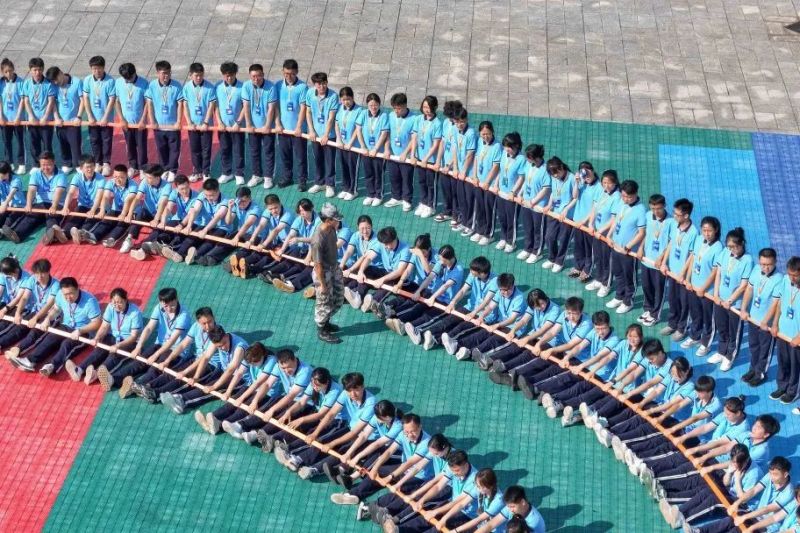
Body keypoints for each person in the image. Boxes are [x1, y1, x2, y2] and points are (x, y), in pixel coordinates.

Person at [96, 287, 190, 392]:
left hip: (175, 349)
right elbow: (149, 328)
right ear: (161, 303)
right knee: (139, 361)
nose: (169, 309)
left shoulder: (184, 316)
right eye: (166, 306)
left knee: (155, 368)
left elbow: (172, 340)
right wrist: (138, 347)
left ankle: (134, 386)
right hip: (160, 344)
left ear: (177, 299)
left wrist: (155, 355)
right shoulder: (159, 308)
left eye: (172, 305)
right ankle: (113, 379)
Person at [7, 276, 101, 376]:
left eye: (71, 293)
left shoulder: (90, 301)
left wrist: (80, 331)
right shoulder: (60, 295)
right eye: (65, 295)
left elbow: (97, 323)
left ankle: (51, 366)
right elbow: (56, 309)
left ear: (78, 289)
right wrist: (48, 319)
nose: (68, 298)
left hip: (84, 332)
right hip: (66, 326)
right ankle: (30, 361)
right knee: (50, 338)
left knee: (67, 344)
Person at [129, 306, 222, 402]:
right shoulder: (196, 327)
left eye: (210, 322)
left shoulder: (217, 332)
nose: (207, 326)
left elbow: (204, 358)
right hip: (196, 358)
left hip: (210, 365)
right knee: (173, 372)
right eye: (204, 323)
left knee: (183, 378)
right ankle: (148, 386)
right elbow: (182, 345)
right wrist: (167, 361)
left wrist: (185, 372)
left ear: (214, 318)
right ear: (198, 322)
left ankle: (156, 393)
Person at [380, 450, 477, 533]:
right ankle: (399, 529)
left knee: (436, 529)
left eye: (457, 471)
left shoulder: (474, 480)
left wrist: (438, 514)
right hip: (453, 504)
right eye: (453, 471)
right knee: (427, 516)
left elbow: (459, 504)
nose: (454, 474)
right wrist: (421, 501)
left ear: (465, 464)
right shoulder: (453, 468)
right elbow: (438, 486)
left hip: (467, 515)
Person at [160, 325, 249, 415]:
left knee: (210, 388)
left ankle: (183, 401)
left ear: (226, 335)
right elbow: (206, 358)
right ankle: (176, 396)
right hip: (225, 372)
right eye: (219, 347)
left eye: (224, 344)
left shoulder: (239, 347)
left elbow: (231, 369)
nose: (222, 348)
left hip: (240, 379)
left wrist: (214, 387)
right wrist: (196, 377)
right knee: (202, 383)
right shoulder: (216, 339)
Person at [441, 272, 525, 361]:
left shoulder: (519, 298)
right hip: (500, 323)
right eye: (502, 290)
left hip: (513, 328)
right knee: (482, 333)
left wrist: (497, 325)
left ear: (513, 285)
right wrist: (481, 317)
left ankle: (469, 353)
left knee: (492, 341)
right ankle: (457, 345)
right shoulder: (500, 293)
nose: (505, 293)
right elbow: (490, 307)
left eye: (507, 290)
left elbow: (512, 319)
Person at [65, 287, 143, 384]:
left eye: (120, 302)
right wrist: (97, 338)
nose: (117, 305)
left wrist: (118, 345)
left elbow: (134, 336)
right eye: (114, 302)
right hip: (114, 337)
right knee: (99, 350)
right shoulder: (111, 307)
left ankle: (95, 374)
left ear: (126, 300)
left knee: (114, 356)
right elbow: (104, 326)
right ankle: (79, 370)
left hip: (129, 342)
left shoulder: (135, 313)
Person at [708, 227, 754, 372]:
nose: (732, 250)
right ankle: (721, 351)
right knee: (722, 327)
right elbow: (719, 274)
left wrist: (730, 301)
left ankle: (730, 356)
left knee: (734, 332)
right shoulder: (725, 253)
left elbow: (743, 285)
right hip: (720, 300)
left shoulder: (748, 260)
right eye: (729, 246)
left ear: (742, 244)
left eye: (734, 247)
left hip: (735, 304)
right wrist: (716, 295)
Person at [160, 178, 228, 265]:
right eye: (206, 195)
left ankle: (195, 255)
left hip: (220, 227)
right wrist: (188, 226)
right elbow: (194, 210)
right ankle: (179, 254)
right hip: (204, 224)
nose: (208, 198)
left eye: (211, 195)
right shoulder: (202, 195)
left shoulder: (225, 201)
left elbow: (217, 218)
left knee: (208, 242)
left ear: (218, 191)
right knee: (191, 238)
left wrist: (205, 230)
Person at [740, 248, 782, 386]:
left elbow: (775, 304)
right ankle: (753, 369)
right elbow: (749, 289)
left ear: (775, 262)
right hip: (753, 318)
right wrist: (744, 309)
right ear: (759, 262)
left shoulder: (779, 279)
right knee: (753, 346)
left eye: (769, 264)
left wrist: (765, 321)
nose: (766, 267)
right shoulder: (756, 270)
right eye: (763, 264)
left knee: (765, 350)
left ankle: (760, 373)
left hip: (766, 324)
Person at [682, 216, 723, 356]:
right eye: (704, 230)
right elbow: (693, 259)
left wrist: (703, 288)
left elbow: (714, 272)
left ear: (716, 230)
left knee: (708, 319)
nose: (706, 233)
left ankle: (706, 344)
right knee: (695, 314)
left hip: (707, 292)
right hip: (693, 287)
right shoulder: (699, 239)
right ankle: (695, 336)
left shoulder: (718, 248)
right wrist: (688, 279)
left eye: (709, 230)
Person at [604, 179, 647, 315]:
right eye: (623, 196)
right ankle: (619, 296)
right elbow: (616, 221)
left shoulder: (641, 210)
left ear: (636, 194)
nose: (625, 199)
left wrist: (628, 247)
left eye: (629, 197)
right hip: (615, 247)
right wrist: (609, 235)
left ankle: (628, 301)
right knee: (618, 274)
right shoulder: (621, 203)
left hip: (628, 252)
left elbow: (642, 233)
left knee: (629, 278)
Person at [0, 258, 59, 355]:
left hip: (48, 314)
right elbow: (24, 298)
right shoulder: (32, 279)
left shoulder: (56, 285)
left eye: (42, 273)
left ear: (48, 271)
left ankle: (19, 349)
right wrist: (18, 313)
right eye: (37, 273)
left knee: (34, 333)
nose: (39, 277)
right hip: (34, 311)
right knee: (19, 327)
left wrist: (35, 318)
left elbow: (48, 305)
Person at [108, 163, 171, 253]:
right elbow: (137, 198)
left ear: (157, 178)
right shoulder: (145, 182)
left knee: (159, 229)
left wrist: (156, 219)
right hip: (148, 213)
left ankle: (143, 246)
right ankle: (129, 239)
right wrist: (129, 214)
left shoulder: (167, 186)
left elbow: (162, 203)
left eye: (149, 177)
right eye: (146, 177)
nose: (146, 179)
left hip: (161, 216)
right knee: (140, 211)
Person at [254, 197, 319, 284]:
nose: (302, 213)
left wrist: (308, 256)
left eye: (304, 210)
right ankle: (270, 273)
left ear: (311, 208)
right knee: (288, 260)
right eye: (300, 211)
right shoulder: (299, 219)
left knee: (302, 267)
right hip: (301, 247)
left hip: (316, 250)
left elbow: (314, 241)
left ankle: (286, 280)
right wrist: (282, 250)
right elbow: (290, 235)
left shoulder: (319, 222)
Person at [659, 198, 698, 341]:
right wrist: (664, 262)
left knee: (684, 302)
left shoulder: (694, 233)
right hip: (672, 272)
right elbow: (671, 244)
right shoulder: (675, 226)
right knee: (672, 299)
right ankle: (672, 323)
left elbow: (692, 256)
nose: (674, 216)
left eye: (677, 214)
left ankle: (682, 328)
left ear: (686, 215)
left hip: (683, 276)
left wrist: (683, 274)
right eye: (674, 213)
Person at [230, 193, 295, 278]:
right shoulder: (267, 212)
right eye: (271, 209)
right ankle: (244, 262)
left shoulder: (288, 214)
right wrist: (251, 240)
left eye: (276, 207)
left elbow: (276, 230)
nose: (273, 211)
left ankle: (250, 269)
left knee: (270, 258)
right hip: (274, 239)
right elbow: (261, 225)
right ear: (266, 207)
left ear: (280, 203)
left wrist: (263, 244)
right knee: (259, 252)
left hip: (288, 243)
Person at [10, 152, 68, 243]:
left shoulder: (61, 175)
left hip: (57, 204)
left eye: (48, 165)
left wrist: (54, 206)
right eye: (43, 165)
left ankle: (51, 236)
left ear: (54, 162)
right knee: (30, 216)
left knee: (52, 218)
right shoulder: (36, 174)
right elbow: (32, 190)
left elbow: (58, 192)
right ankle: (17, 234)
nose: (45, 168)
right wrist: (28, 204)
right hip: (41, 203)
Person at [310, 202, 345, 343]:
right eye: (336, 219)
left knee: (338, 297)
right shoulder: (318, 240)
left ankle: (326, 322)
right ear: (328, 220)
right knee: (324, 302)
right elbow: (317, 266)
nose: (338, 222)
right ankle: (321, 329)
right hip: (323, 273)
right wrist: (323, 285)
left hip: (334, 267)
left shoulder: (331, 229)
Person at [769, 256, 800, 406]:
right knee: (783, 362)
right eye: (790, 274)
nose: (792, 278)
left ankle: (793, 391)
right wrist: (775, 324)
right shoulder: (786, 281)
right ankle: (782, 386)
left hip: (796, 338)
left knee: (795, 366)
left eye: (795, 275)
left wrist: (799, 337)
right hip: (783, 333)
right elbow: (780, 303)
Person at [145, 60, 183, 181]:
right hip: (159, 125)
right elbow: (149, 104)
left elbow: (180, 105)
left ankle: (173, 170)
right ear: (157, 73)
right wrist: (152, 121)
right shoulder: (152, 85)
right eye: (163, 73)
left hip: (172, 126)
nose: (166, 76)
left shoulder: (177, 86)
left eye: (168, 73)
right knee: (161, 149)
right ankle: (164, 169)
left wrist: (178, 121)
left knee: (174, 149)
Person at [273, 59, 308, 190]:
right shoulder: (278, 85)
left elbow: (303, 108)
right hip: (283, 129)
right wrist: (278, 123)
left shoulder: (303, 87)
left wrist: (299, 127)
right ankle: (287, 177)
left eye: (292, 74)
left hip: (298, 130)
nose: (289, 76)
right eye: (286, 73)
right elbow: (276, 106)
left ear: (297, 72)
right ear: (282, 71)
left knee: (300, 157)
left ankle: (302, 180)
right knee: (285, 155)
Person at [241, 63, 277, 189]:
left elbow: (272, 108)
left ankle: (268, 177)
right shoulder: (246, 86)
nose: (256, 79)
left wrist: (267, 125)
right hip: (253, 127)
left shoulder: (271, 87)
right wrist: (249, 124)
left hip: (268, 127)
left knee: (268, 152)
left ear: (263, 75)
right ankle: (257, 175)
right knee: (254, 152)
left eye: (258, 76)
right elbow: (246, 106)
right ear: (250, 76)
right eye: (253, 76)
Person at [585, 170, 620, 297]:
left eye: (609, 183)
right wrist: (590, 223)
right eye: (604, 182)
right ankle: (599, 279)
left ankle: (606, 284)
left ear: (615, 183)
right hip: (596, 231)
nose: (606, 185)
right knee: (598, 257)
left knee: (607, 260)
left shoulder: (617, 197)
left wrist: (601, 230)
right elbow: (594, 208)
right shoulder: (602, 192)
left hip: (606, 235)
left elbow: (613, 219)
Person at [638, 193, 671, 327]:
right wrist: (641, 247)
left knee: (659, 290)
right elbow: (647, 234)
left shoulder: (671, 222)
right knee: (646, 286)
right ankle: (648, 309)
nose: (655, 211)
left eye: (658, 208)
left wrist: (661, 258)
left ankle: (656, 315)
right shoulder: (648, 216)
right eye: (653, 208)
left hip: (659, 264)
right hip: (646, 259)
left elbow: (671, 243)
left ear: (664, 206)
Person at [304, 72, 339, 197]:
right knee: (318, 159)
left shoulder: (333, 96)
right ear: (314, 85)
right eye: (319, 84)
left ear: (327, 83)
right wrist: (311, 130)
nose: (322, 86)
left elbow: (331, 117)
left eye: (324, 83)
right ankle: (319, 182)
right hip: (315, 135)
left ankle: (330, 185)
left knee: (330, 161)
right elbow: (308, 112)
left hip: (329, 135)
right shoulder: (310, 93)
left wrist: (326, 135)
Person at [541, 156, 577, 273]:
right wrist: (549, 205)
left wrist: (566, 209)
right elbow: (554, 192)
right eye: (552, 174)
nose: (555, 176)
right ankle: (552, 258)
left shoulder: (572, 178)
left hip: (567, 216)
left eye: (556, 173)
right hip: (555, 212)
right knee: (549, 236)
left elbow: (575, 198)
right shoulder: (554, 177)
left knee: (563, 239)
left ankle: (559, 262)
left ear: (561, 168)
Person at [60, 155, 106, 244]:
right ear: (81, 168)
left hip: (97, 207)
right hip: (83, 205)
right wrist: (65, 207)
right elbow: (71, 192)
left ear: (95, 166)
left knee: (90, 221)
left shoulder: (101, 179)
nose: (90, 169)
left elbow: (99, 196)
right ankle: (63, 234)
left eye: (92, 166)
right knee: (76, 219)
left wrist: (93, 210)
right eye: (87, 167)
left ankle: (80, 234)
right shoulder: (77, 177)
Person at [45, 65, 83, 173]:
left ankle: (78, 164)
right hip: (61, 122)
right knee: (63, 144)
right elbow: (53, 103)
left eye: (56, 79)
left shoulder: (77, 82)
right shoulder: (54, 86)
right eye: (53, 81)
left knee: (75, 145)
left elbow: (82, 100)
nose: (56, 82)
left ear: (61, 73)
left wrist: (79, 116)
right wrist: (56, 117)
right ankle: (67, 163)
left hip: (73, 122)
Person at [182, 62, 216, 182]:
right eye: (196, 75)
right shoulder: (186, 87)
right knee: (195, 150)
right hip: (193, 126)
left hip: (206, 125)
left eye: (201, 75)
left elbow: (211, 105)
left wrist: (206, 122)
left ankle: (206, 172)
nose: (199, 78)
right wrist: (189, 122)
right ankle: (197, 171)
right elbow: (185, 106)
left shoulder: (210, 87)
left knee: (206, 150)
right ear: (190, 75)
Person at [470, 121, 502, 246]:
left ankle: (488, 234)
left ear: (492, 132)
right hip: (478, 182)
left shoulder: (497, 146)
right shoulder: (480, 141)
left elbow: (496, 166)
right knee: (480, 207)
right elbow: (476, 158)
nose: (485, 136)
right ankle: (480, 230)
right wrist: (474, 176)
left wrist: (488, 182)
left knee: (489, 209)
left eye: (487, 134)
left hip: (489, 185)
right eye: (483, 134)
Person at [493, 132, 526, 254]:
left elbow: (521, 178)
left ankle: (510, 241)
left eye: (510, 147)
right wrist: (496, 184)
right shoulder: (504, 153)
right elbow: (501, 171)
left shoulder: (521, 159)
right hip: (501, 192)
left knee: (511, 219)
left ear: (516, 146)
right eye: (505, 146)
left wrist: (513, 191)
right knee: (502, 217)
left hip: (512, 195)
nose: (507, 149)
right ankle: (503, 237)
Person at [516, 144, 548, 263]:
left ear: (537, 157)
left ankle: (537, 252)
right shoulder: (529, 165)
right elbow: (526, 181)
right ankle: (528, 248)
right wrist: (520, 193)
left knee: (538, 230)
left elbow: (545, 189)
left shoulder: (545, 170)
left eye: (528, 157)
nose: (526, 159)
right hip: (526, 203)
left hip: (538, 206)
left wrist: (533, 202)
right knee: (528, 227)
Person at [115, 62, 148, 176]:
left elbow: (147, 103)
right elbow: (117, 102)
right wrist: (121, 119)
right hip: (126, 123)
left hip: (140, 123)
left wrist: (143, 120)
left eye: (130, 78)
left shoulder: (144, 83)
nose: (128, 80)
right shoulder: (118, 82)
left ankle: (143, 168)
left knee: (142, 146)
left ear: (134, 73)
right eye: (126, 79)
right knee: (130, 146)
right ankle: (133, 167)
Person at [411, 95, 442, 218]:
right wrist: (413, 154)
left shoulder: (437, 123)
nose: (426, 110)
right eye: (424, 107)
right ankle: (423, 202)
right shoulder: (419, 119)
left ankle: (431, 205)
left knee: (431, 183)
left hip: (431, 160)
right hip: (419, 158)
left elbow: (436, 144)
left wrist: (426, 159)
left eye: (429, 107)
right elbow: (414, 137)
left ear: (435, 107)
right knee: (421, 181)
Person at [569, 162, 601, 279]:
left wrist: (584, 221)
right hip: (578, 221)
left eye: (588, 172)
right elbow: (575, 196)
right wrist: (576, 183)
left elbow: (595, 208)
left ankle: (587, 270)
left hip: (588, 224)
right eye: (583, 173)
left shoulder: (599, 187)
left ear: (592, 170)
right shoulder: (582, 183)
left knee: (589, 249)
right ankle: (578, 267)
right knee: (578, 247)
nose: (586, 176)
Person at [215, 61, 245, 186]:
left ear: (235, 74)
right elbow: (216, 106)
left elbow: (245, 106)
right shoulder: (218, 87)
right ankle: (226, 173)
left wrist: (238, 122)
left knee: (238, 150)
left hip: (237, 127)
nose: (229, 78)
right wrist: (219, 122)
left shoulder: (242, 87)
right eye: (226, 76)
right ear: (223, 75)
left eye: (231, 75)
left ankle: (239, 174)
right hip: (223, 127)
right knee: (224, 149)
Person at [384, 93, 415, 211]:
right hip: (393, 154)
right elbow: (388, 134)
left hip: (406, 156)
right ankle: (396, 197)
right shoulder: (391, 115)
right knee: (394, 176)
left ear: (405, 105)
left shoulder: (413, 119)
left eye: (399, 108)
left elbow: (414, 139)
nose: (396, 111)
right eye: (394, 108)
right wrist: (387, 149)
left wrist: (405, 153)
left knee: (406, 179)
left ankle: (407, 200)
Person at [433, 100, 462, 226]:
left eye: (452, 117)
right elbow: (443, 143)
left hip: (456, 167)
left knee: (456, 193)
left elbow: (458, 150)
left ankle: (457, 214)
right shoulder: (446, 122)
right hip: (445, 166)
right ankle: (448, 211)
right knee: (446, 190)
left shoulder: (459, 127)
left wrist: (450, 165)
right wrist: (438, 161)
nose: (450, 119)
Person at [22, 57, 56, 165]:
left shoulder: (48, 83)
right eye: (35, 70)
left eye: (39, 69)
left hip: (46, 121)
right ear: (30, 70)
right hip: (32, 121)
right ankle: (36, 165)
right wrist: (31, 116)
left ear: (43, 69)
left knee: (47, 145)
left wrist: (45, 116)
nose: (37, 72)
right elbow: (26, 101)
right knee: (34, 144)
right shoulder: (27, 83)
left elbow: (51, 101)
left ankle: (48, 164)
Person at [450, 106, 478, 235]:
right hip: (460, 172)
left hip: (469, 174)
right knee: (461, 199)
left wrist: (464, 171)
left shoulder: (471, 133)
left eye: (462, 121)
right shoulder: (455, 131)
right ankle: (464, 221)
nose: (459, 124)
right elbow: (455, 149)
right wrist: (455, 167)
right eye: (457, 122)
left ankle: (471, 225)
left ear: (466, 120)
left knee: (469, 200)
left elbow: (470, 154)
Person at [358, 93, 389, 206]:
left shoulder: (384, 116)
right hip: (366, 151)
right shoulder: (363, 114)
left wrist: (376, 148)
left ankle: (378, 195)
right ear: (367, 105)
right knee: (368, 173)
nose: (373, 107)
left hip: (378, 152)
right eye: (371, 105)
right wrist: (363, 146)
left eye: (375, 105)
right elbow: (358, 130)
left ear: (379, 104)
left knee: (378, 174)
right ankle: (370, 194)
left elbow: (384, 134)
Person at [477, 486, 546, 533]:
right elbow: (490, 525)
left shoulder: (534, 523)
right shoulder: (513, 508)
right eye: (508, 507)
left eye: (512, 506)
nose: (510, 510)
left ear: (523, 502)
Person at [334, 86, 362, 200]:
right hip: (342, 144)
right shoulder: (340, 108)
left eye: (348, 99)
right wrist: (338, 139)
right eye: (344, 99)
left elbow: (357, 129)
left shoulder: (359, 110)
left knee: (352, 168)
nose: (346, 102)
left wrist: (350, 142)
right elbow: (337, 124)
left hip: (353, 146)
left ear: (353, 98)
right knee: (344, 166)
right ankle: (345, 188)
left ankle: (353, 190)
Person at [1, 58, 26, 173]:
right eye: (6, 71)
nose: (9, 73)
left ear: (13, 69)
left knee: (20, 141)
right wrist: (1, 116)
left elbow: (22, 100)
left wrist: (18, 117)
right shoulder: (1, 83)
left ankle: (21, 164)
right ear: (2, 72)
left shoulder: (20, 82)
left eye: (10, 70)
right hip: (5, 120)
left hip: (18, 119)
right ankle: (9, 163)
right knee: (6, 142)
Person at [0, 161, 25, 231]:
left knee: (9, 221)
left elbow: (12, 192)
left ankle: (3, 231)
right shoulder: (1, 180)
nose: (1, 179)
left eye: (2, 177)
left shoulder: (16, 179)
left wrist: (5, 203)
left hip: (18, 207)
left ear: (7, 173)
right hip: (6, 207)